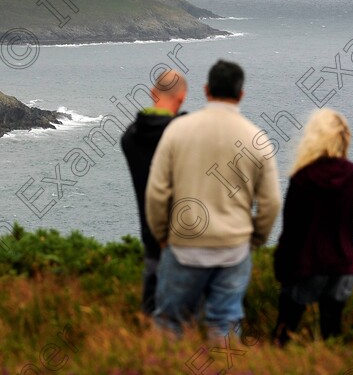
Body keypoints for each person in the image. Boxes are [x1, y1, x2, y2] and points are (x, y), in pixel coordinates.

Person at [146, 59, 281, 338]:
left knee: (171, 322)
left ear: (206, 90)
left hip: (184, 246)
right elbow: (271, 203)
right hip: (233, 249)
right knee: (224, 324)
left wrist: (162, 236)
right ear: (241, 94)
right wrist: (253, 240)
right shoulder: (256, 138)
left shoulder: (177, 130)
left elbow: (156, 192)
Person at [272, 109, 353, 346]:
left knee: (284, 332)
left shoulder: (303, 178)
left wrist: (281, 269)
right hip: (343, 266)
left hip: (307, 265)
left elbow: (291, 230)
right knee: (332, 333)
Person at [120, 69, 188, 316]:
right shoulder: (185, 134)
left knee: (154, 323)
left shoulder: (130, 138)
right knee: (192, 324)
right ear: (181, 98)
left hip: (151, 240)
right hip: (189, 242)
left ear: (152, 93)